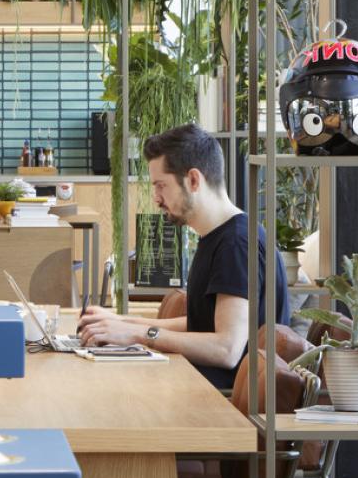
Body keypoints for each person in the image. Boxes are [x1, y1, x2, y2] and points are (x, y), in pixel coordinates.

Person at [77, 123, 291, 390]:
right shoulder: (218, 236)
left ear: (193, 180)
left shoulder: (236, 244)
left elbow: (227, 349)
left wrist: (139, 334)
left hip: (217, 401)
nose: (156, 198)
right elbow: (202, 324)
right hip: (197, 384)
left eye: (161, 186)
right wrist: (119, 323)